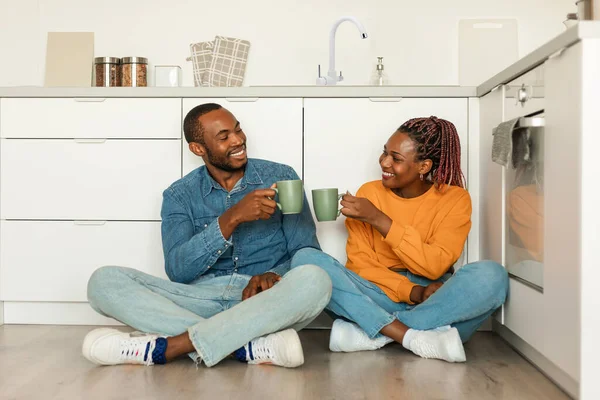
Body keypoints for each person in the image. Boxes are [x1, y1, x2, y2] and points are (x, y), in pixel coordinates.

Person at [82, 103, 332, 369]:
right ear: (198, 148)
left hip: (264, 300)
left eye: (238, 130)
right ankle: (246, 346)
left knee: (317, 280)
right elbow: (178, 270)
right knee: (103, 282)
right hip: (200, 300)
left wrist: (275, 274)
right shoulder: (179, 195)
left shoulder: (282, 176)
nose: (238, 141)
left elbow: (306, 250)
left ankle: (171, 347)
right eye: (224, 137)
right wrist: (231, 217)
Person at [291, 116, 509, 363]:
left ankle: (376, 333)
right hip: (377, 294)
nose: (384, 162)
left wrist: (380, 220)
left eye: (396, 158)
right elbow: (360, 266)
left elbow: (435, 265)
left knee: (492, 275)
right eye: (384, 153)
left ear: (424, 166)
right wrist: (413, 291)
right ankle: (420, 336)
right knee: (305, 259)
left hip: (436, 298)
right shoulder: (369, 193)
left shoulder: (455, 199)